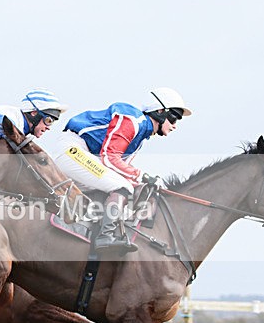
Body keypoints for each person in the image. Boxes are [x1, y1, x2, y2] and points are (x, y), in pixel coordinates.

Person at [42, 87, 193, 254]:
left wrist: (143, 182)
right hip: (73, 150)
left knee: (123, 189)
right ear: (160, 111)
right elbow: (110, 159)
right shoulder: (132, 119)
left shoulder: (141, 137)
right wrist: (143, 176)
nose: (174, 126)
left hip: (87, 156)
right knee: (121, 187)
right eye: (174, 118)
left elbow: (120, 170)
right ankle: (105, 236)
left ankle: (87, 236)